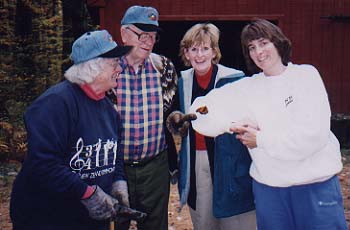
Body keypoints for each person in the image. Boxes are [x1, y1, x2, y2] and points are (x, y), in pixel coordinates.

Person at [190, 19, 347, 230]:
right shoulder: (248, 87)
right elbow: (208, 107)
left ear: (278, 42)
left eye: (263, 43)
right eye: (252, 47)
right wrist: (190, 116)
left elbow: (313, 135)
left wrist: (261, 138)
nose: (259, 52)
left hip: (314, 187)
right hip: (270, 191)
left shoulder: (306, 76)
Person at [9, 30, 145, 230]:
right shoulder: (55, 104)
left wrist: (118, 182)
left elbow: (113, 155)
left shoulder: (109, 110)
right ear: (92, 68)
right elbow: (44, 164)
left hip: (90, 219)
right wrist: (87, 193)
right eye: (114, 63)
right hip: (48, 217)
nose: (120, 69)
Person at [166, 23, 256, 230]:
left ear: (214, 52)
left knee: (237, 219)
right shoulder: (183, 81)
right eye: (194, 49)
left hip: (231, 160)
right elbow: (176, 114)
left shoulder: (234, 79)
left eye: (205, 48)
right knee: (204, 220)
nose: (199, 55)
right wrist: (177, 119)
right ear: (186, 53)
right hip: (199, 160)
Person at [107, 5, 178, 230]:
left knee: (156, 225)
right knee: (115, 224)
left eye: (153, 36)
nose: (148, 41)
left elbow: (170, 110)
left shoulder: (164, 68)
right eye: (142, 34)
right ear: (124, 33)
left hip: (155, 167)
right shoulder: (106, 68)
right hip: (115, 167)